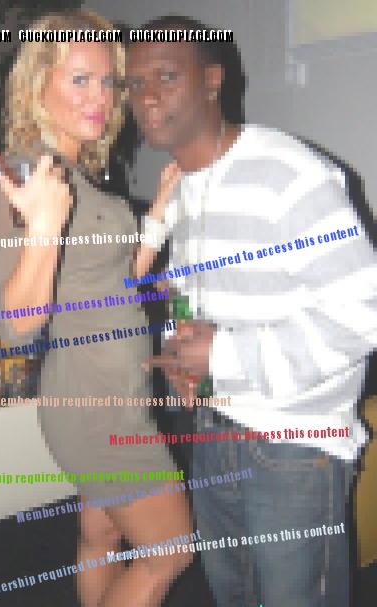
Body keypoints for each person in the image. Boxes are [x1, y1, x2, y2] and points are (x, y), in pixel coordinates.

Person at [127, 15, 376, 607]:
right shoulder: (183, 185)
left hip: (294, 445)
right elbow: (193, 295)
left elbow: (364, 311)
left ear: (212, 80)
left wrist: (224, 354)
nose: (148, 96)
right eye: (135, 83)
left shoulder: (286, 172)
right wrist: (183, 355)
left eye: (166, 76)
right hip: (214, 431)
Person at [0, 11, 193, 607]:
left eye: (107, 82)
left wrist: (161, 208)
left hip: (110, 394)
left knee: (101, 538)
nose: (99, 97)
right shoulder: (23, 174)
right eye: (79, 79)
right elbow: (13, 326)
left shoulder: (76, 173)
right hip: (97, 409)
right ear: (37, 85)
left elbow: (119, 279)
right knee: (169, 551)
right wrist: (44, 226)